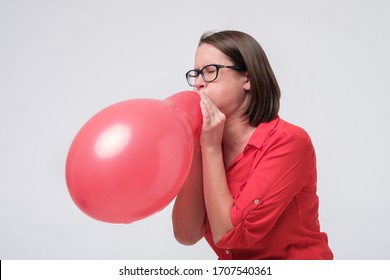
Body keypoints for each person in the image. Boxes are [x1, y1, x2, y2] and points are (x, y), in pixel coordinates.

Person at [172, 30, 333, 260]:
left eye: (209, 72)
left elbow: (229, 234)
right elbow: (186, 234)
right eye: (195, 74)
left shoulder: (288, 141)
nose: (198, 84)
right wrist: (200, 148)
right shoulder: (206, 144)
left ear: (246, 78)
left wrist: (210, 149)